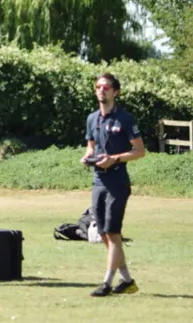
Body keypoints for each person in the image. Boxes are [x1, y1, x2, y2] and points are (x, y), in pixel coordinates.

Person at [83, 73, 145, 297]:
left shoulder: (126, 119)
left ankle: (106, 282)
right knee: (104, 234)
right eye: (98, 86)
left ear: (115, 91)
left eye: (106, 87)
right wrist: (87, 157)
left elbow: (139, 151)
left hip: (118, 181)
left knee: (113, 231)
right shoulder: (92, 119)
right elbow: (91, 146)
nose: (102, 90)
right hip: (98, 180)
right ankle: (127, 280)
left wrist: (115, 158)